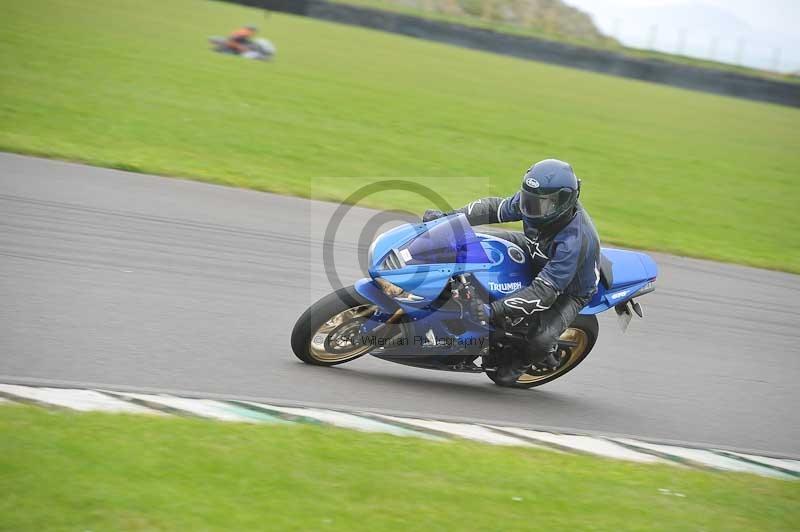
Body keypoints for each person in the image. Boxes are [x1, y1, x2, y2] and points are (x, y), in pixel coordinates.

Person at [423, 159, 600, 385]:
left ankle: (522, 363)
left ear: (563, 202)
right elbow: (493, 208)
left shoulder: (575, 241)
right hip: (533, 248)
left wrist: (491, 310)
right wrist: (448, 218)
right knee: (477, 244)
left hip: (568, 288)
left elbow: (544, 292)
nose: (531, 209)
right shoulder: (537, 201)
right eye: (528, 200)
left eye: (540, 204)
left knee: (539, 340)